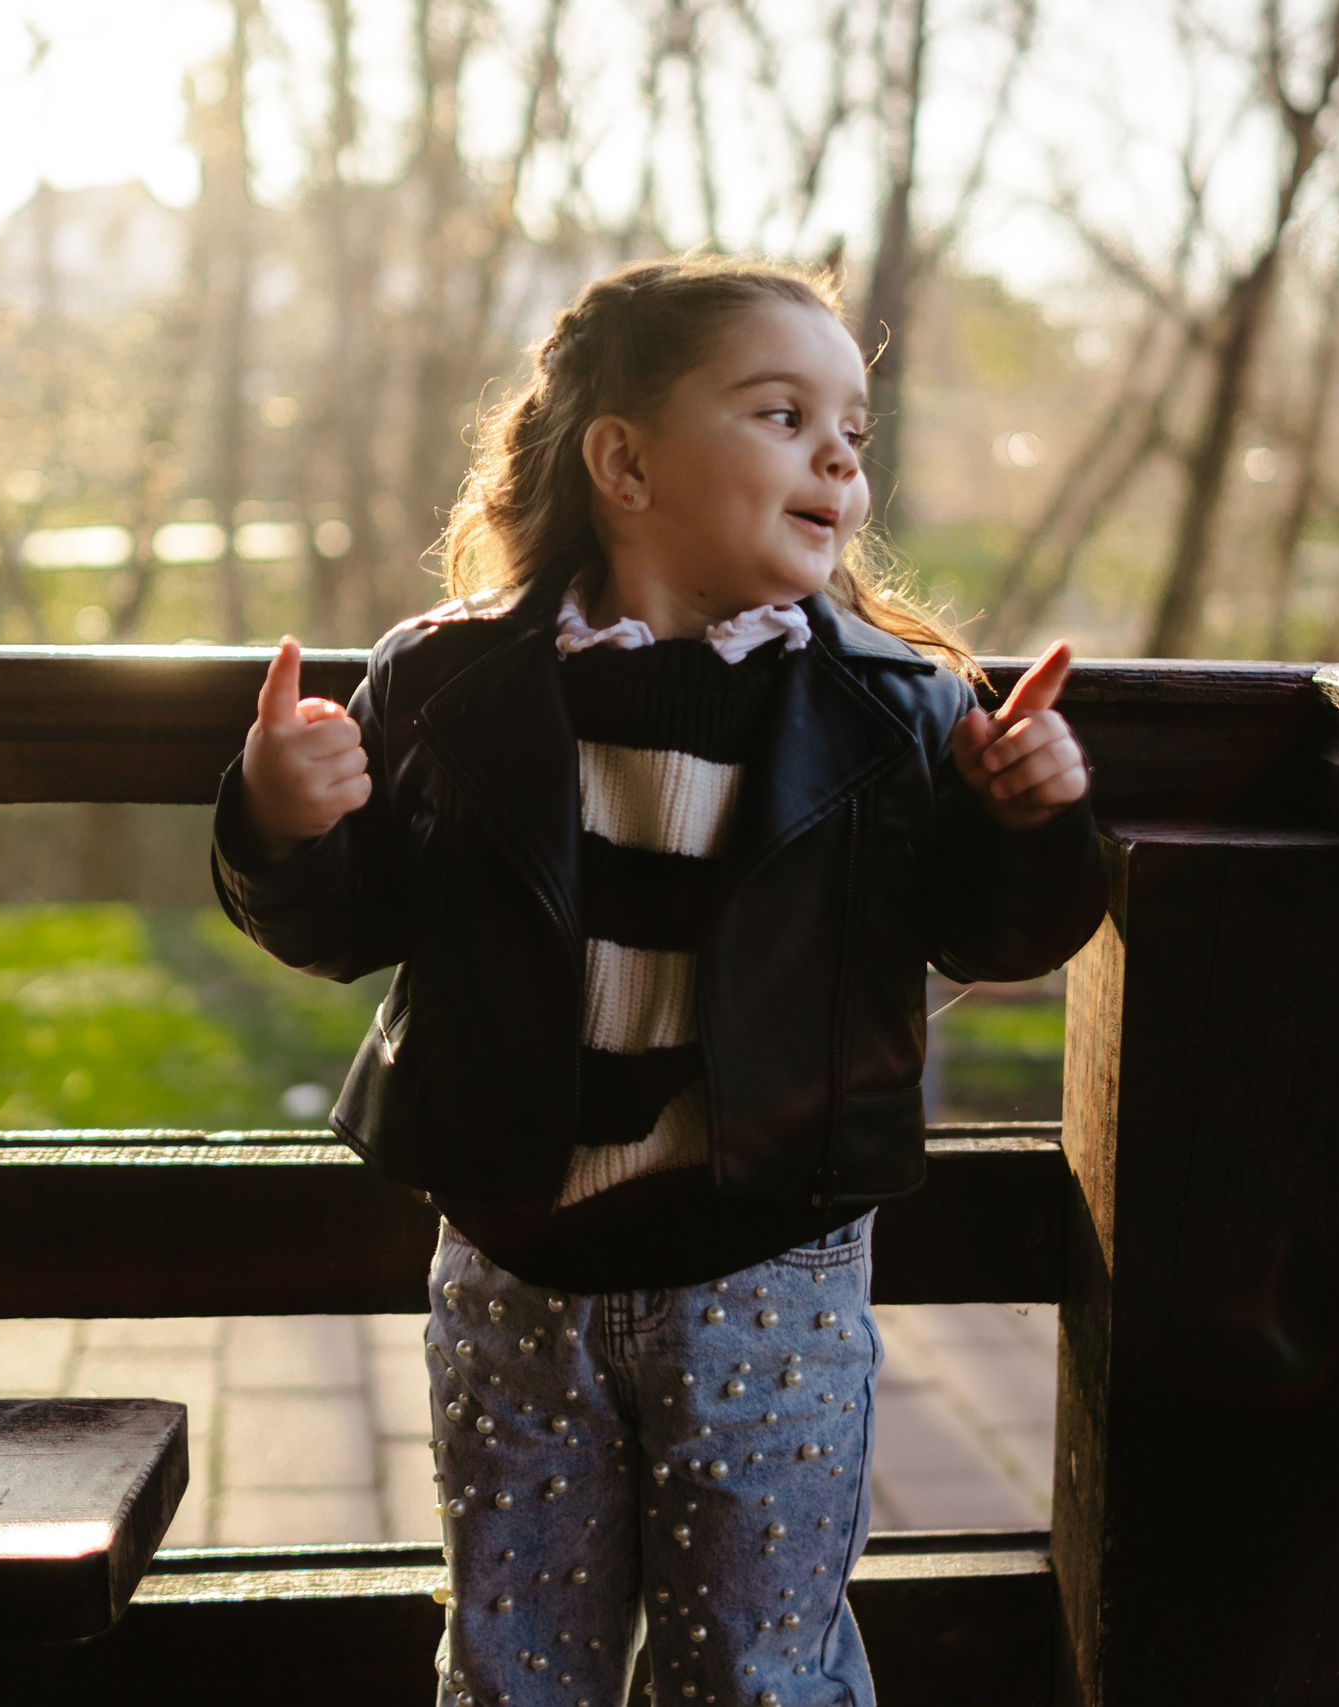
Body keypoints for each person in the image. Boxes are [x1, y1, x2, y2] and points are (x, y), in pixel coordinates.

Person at [211, 255, 1105, 1707]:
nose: (838, 457)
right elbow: (338, 924)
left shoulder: (894, 707)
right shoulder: (448, 683)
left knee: (759, 1669)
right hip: (513, 1268)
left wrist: (1031, 816)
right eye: (780, 413)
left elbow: (995, 936)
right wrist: (282, 811)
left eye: (854, 432)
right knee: (516, 1665)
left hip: (770, 1275)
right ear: (624, 462)